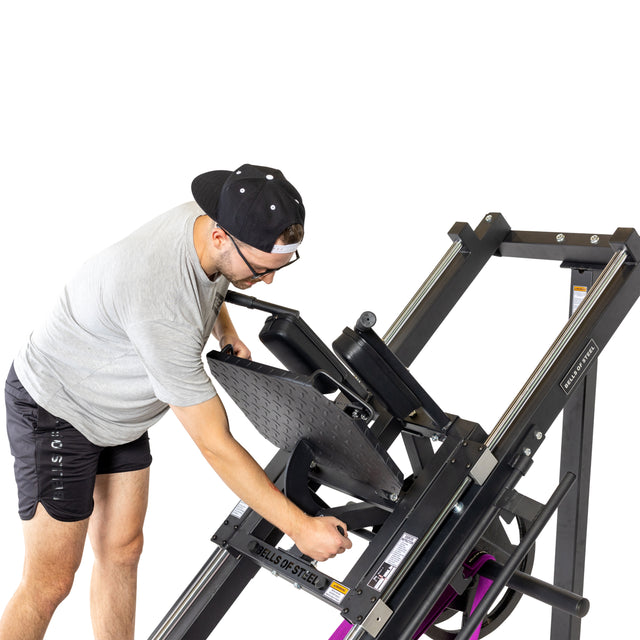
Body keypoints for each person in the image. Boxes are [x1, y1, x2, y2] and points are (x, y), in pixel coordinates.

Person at [1, 164, 352, 640]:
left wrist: (224, 328)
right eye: (261, 270)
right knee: (50, 583)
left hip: (118, 413)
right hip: (58, 409)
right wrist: (301, 528)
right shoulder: (160, 305)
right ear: (223, 237)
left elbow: (207, 282)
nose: (268, 282)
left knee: (123, 550)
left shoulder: (206, 222)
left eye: (278, 268)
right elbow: (215, 445)